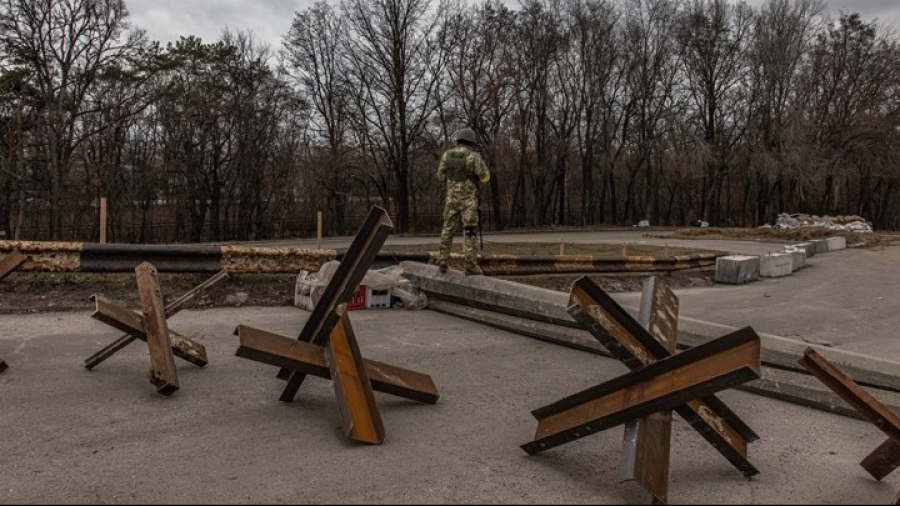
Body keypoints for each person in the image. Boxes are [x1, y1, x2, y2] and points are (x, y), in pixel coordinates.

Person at [436, 127, 490, 275]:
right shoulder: (474, 156)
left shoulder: (447, 155)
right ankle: (470, 265)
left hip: (451, 201)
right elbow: (485, 177)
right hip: (468, 203)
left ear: (458, 140)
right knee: (470, 232)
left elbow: (440, 176)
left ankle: (442, 261)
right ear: (471, 142)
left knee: (447, 230)